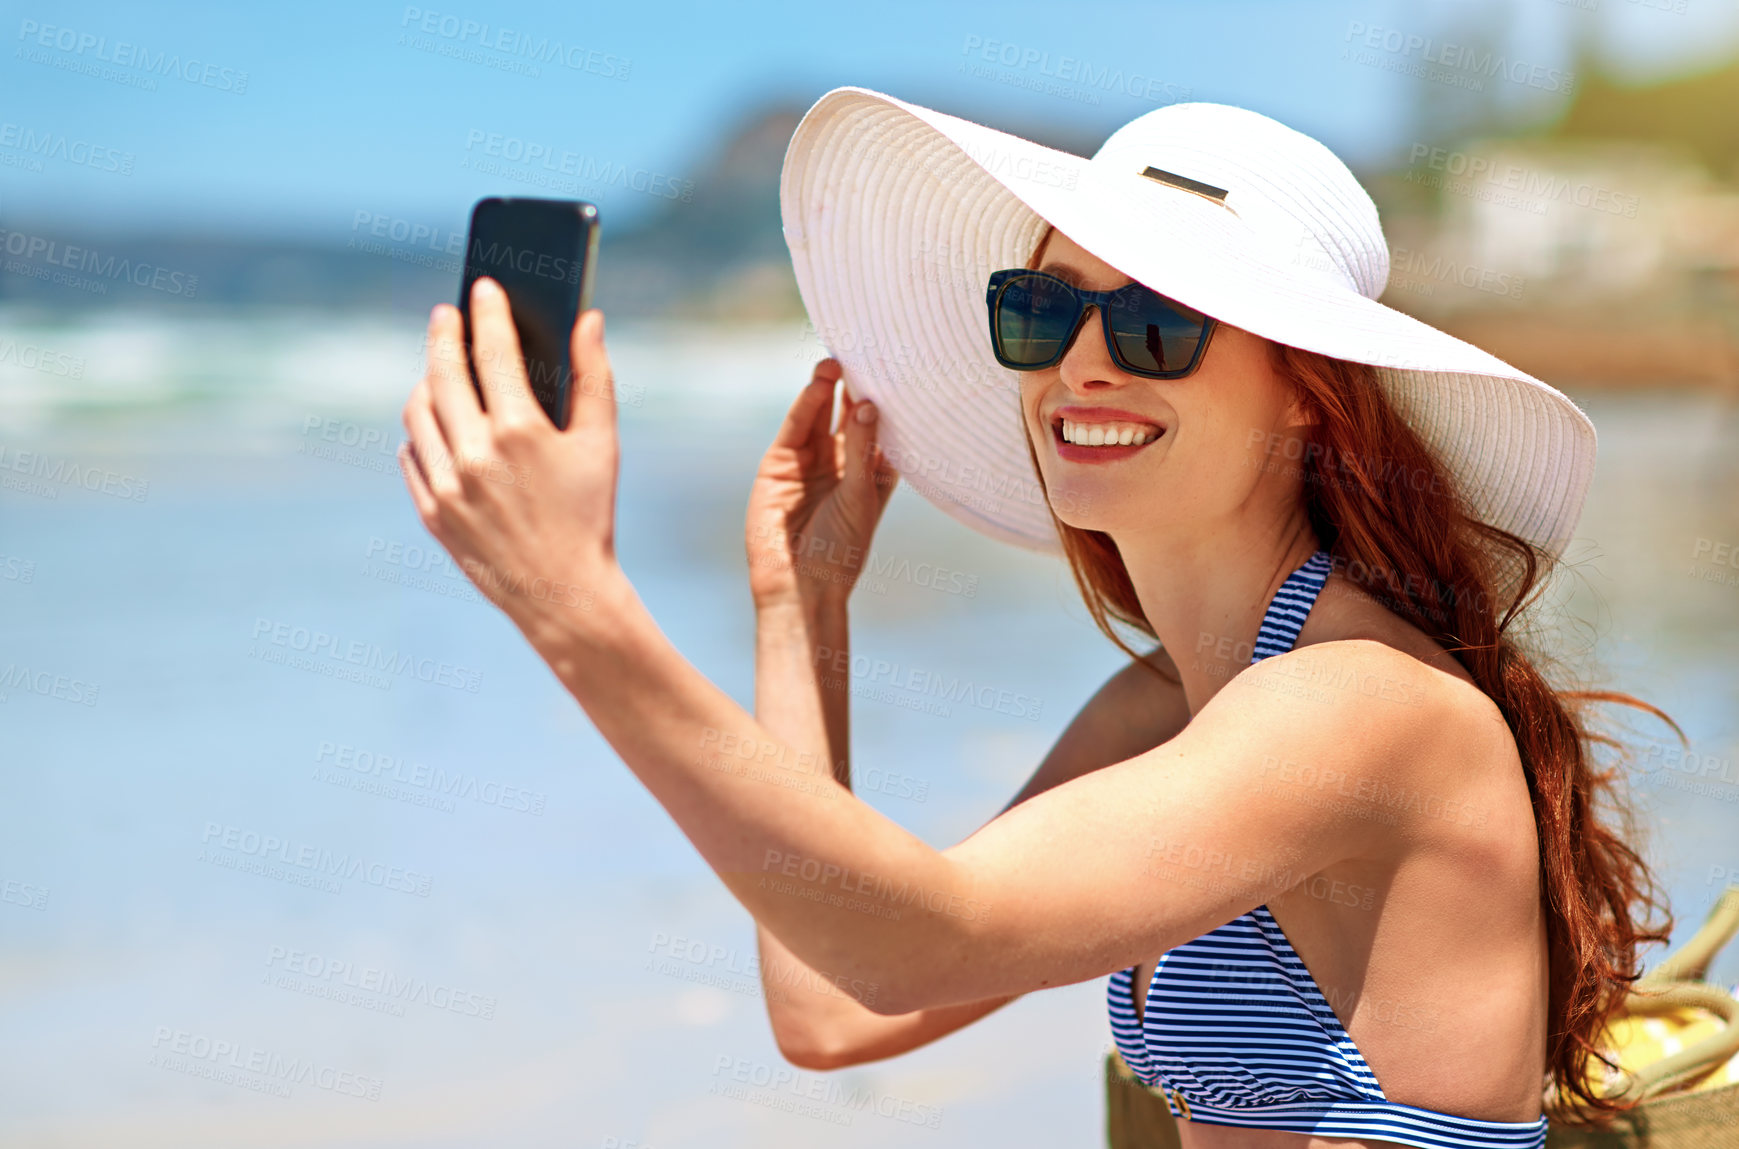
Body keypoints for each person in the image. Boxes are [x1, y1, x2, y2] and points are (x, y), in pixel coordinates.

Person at [397, 86, 1676, 1148]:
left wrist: (573, 605)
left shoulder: (1357, 707)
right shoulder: (1169, 707)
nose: (1083, 362)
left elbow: (916, 943)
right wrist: (802, 611)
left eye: (1157, 322)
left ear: (1306, 396)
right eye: (1045, 308)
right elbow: (837, 1011)